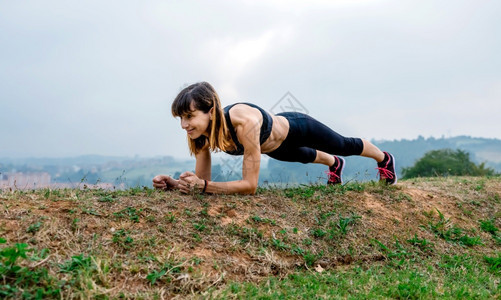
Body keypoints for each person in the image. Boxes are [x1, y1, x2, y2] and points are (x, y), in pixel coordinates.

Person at [153, 82, 396, 195]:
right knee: (305, 157)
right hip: (273, 148)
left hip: (296, 128)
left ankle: (384, 159)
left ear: (211, 111)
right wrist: (176, 184)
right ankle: (335, 165)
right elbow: (202, 183)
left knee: (343, 145)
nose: (184, 125)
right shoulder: (200, 136)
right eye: (180, 119)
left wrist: (203, 186)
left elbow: (249, 187)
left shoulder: (242, 122)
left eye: (189, 116)